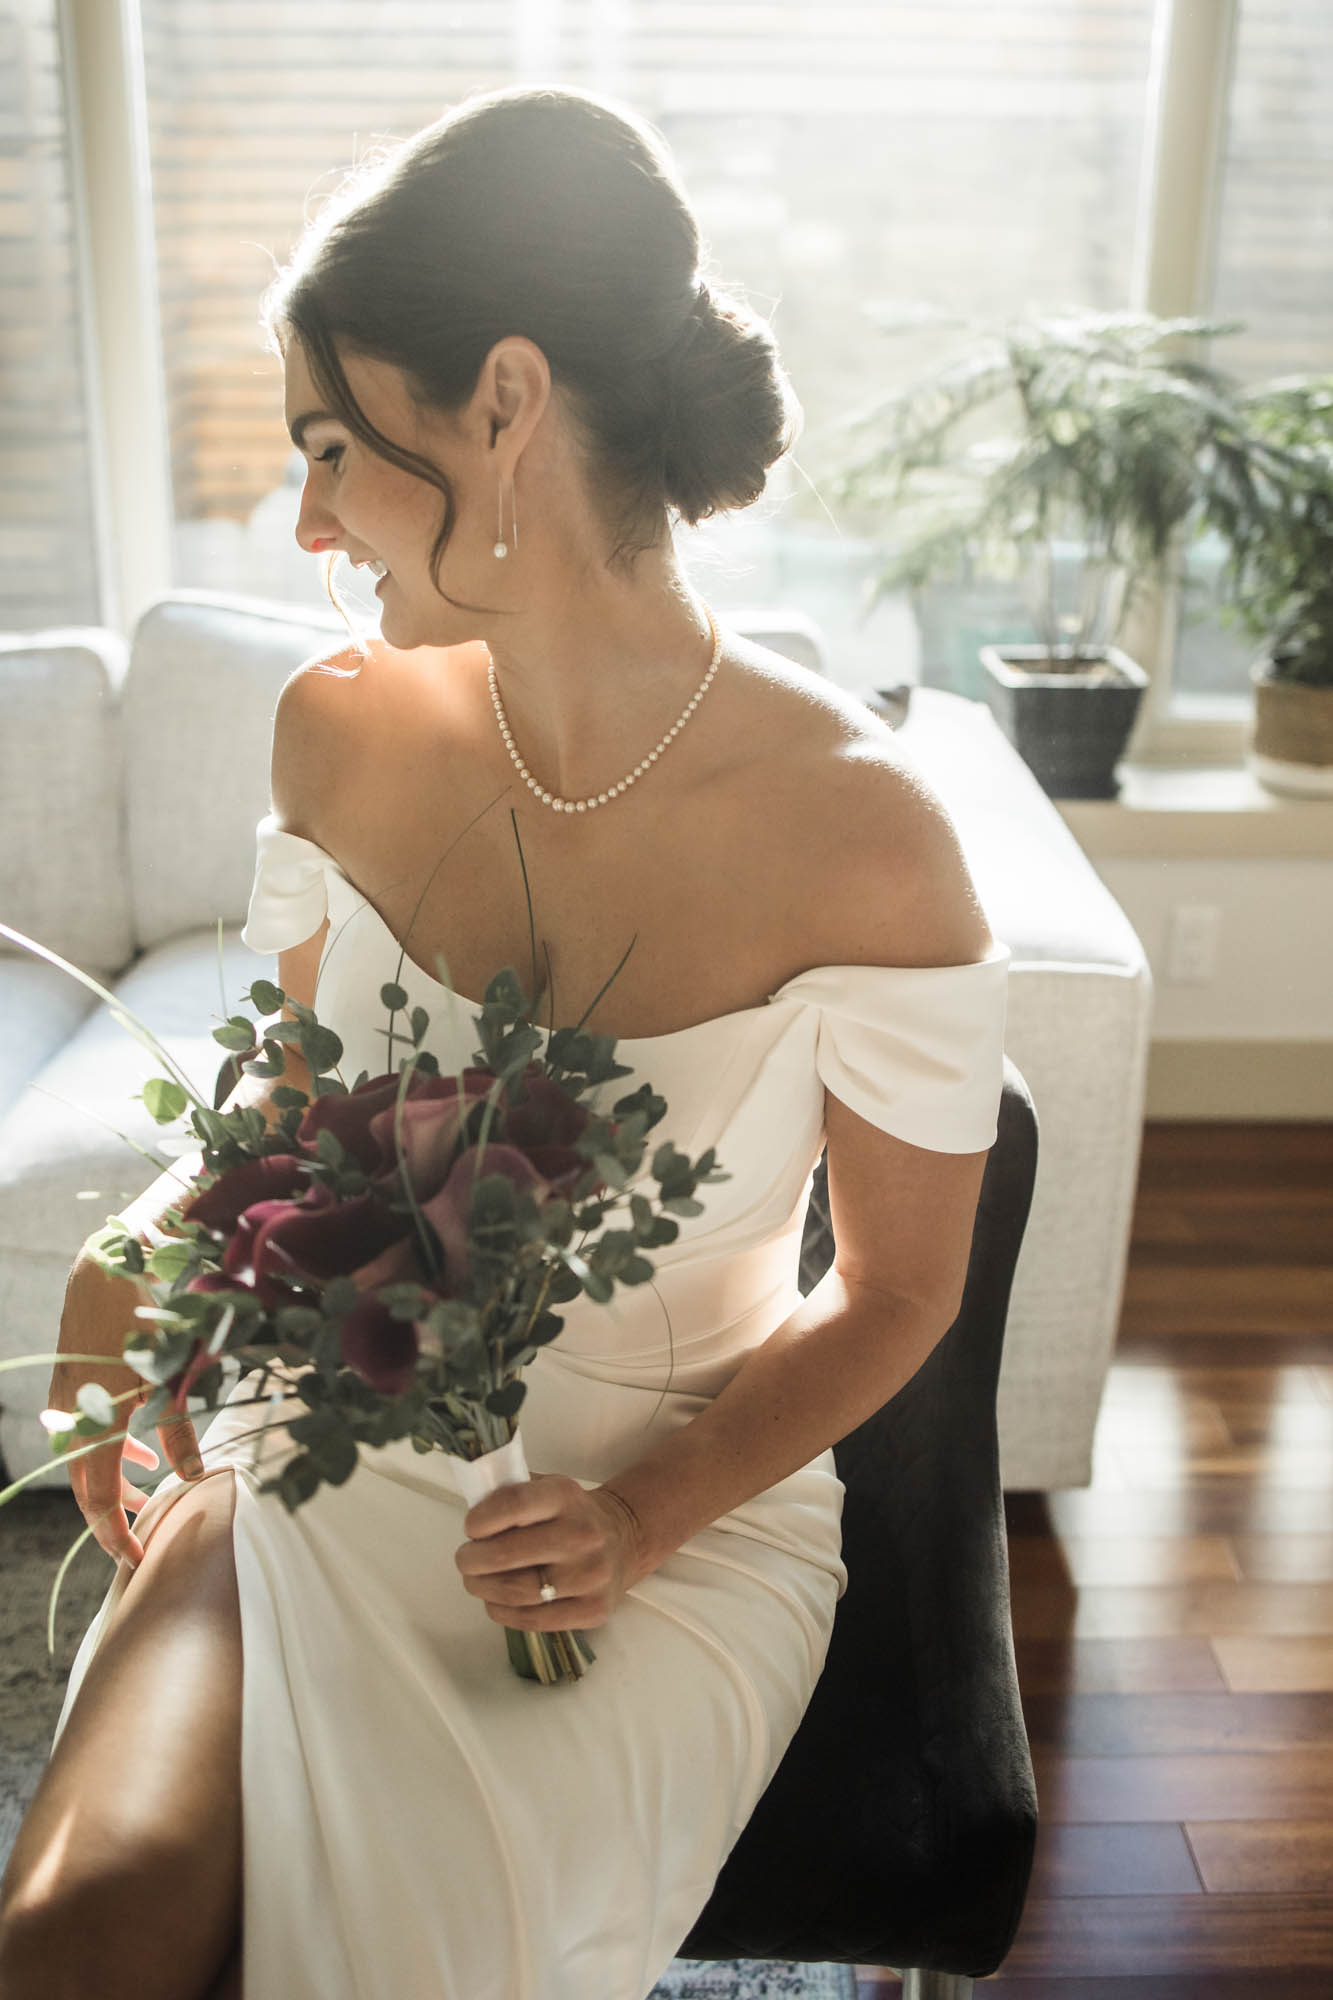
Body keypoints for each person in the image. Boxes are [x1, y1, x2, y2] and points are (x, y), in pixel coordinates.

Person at [0, 83, 1010, 2000]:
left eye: (333, 447)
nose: (300, 518)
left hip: (656, 1514)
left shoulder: (872, 838)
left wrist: (635, 1516)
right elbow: (283, 1128)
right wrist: (134, 1259)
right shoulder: (337, 725)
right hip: (320, 1420)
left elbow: (895, 1291)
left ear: (504, 402)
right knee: (71, 1940)